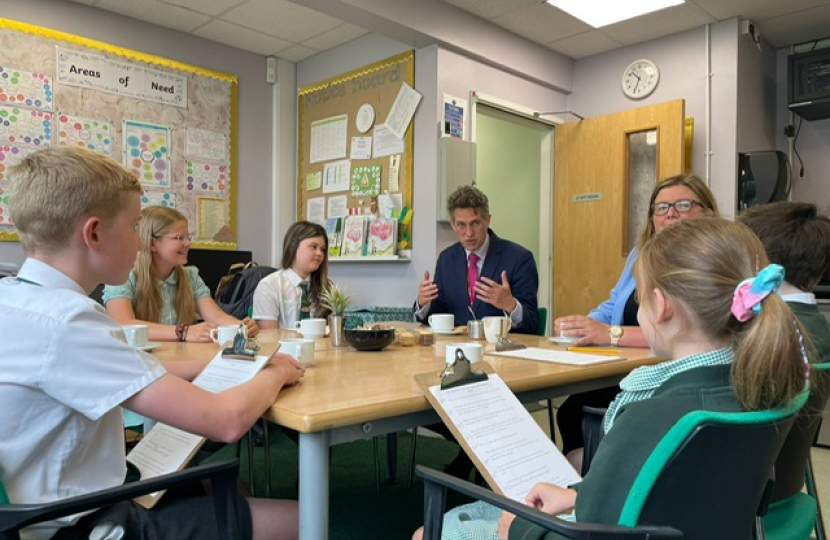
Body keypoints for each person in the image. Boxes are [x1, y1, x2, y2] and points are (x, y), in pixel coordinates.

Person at [413, 217, 809, 540]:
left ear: (660, 305)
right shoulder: (766, 386)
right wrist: (574, 494)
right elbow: (625, 495)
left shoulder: (648, 414)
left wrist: (516, 529)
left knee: (430, 531)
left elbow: (591, 531)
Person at [0, 146, 304, 540]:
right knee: (308, 518)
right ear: (93, 233)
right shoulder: (70, 321)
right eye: (132, 228)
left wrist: (222, 362)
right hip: (78, 524)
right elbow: (225, 422)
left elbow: (128, 368)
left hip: (34, 507)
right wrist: (277, 370)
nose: (139, 243)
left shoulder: (16, 299)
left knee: (229, 492)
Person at [553, 173, 719, 468]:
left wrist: (610, 334)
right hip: (625, 364)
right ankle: (583, 475)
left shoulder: (707, 261)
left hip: (666, 371)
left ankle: (594, 479)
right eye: (661, 207)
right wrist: (584, 325)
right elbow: (615, 300)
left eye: (682, 204)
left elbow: (683, 331)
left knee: (591, 413)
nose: (670, 214)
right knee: (570, 411)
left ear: (706, 211)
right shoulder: (640, 254)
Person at [103, 206, 259, 343]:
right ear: (151, 243)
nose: (188, 243)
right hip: (140, 362)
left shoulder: (190, 275)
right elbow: (123, 323)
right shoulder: (123, 276)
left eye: (188, 237)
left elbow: (215, 316)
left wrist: (239, 326)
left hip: (179, 358)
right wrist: (182, 331)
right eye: (179, 238)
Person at [415, 185, 539, 335]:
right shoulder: (446, 259)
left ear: (488, 220)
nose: (469, 233)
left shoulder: (519, 259)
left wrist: (510, 305)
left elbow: (533, 323)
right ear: (453, 225)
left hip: (502, 351)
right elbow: (439, 315)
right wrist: (423, 303)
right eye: (461, 225)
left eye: (475, 223)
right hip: (457, 350)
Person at [252, 220, 330, 330]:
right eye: (313, 247)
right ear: (292, 247)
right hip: (281, 346)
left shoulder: (326, 286)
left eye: (323, 249)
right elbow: (269, 337)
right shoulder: (269, 286)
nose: (319, 253)